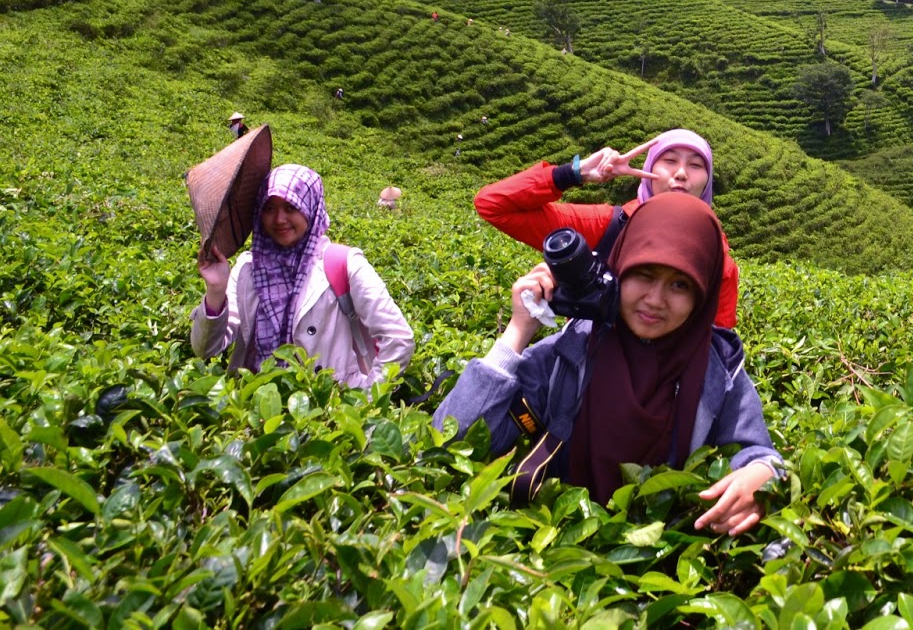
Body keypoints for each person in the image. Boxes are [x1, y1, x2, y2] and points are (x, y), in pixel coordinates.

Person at [434, 192, 779, 534]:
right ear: (621, 267)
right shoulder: (571, 351)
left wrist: (763, 474)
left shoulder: (718, 371)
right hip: (558, 547)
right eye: (644, 273)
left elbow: (757, 452)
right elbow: (450, 443)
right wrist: (518, 330)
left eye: (679, 284)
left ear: (701, 294)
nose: (655, 300)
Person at [474, 129, 740, 327]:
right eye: (669, 161)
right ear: (649, 168)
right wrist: (575, 173)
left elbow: (717, 340)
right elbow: (492, 205)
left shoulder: (717, 257)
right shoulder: (607, 226)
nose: (681, 173)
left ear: (707, 181)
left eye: (695, 165)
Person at [192, 164, 414, 388]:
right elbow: (205, 349)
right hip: (255, 406)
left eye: (291, 207)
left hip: (327, 409)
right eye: (269, 208)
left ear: (310, 206)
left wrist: (367, 399)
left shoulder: (343, 263)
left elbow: (398, 338)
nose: (279, 219)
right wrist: (216, 291)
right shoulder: (247, 269)